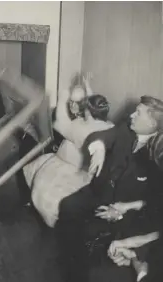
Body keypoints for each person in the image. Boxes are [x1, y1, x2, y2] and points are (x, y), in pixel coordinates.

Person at [23, 73, 115, 228]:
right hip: (65, 160)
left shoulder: (80, 126)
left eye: (78, 102)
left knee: (45, 191)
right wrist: (87, 87)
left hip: (74, 169)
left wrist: (62, 96)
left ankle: (53, 222)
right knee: (36, 166)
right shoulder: (105, 123)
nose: (72, 106)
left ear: (86, 106)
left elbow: (59, 123)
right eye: (71, 102)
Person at [90, 97, 163, 282]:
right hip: (108, 198)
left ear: (153, 123)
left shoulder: (155, 154)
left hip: (130, 217)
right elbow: (103, 136)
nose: (131, 115)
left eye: (138, 113)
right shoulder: (125, 129)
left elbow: (151, 205)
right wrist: (99, 149)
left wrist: (122, 213)